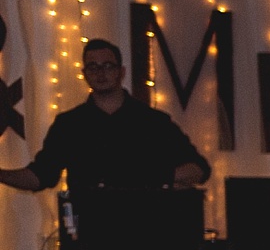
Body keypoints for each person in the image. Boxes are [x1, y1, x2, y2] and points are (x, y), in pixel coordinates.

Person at [0, 40, 209, 194]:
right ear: (84, 73)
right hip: (89, 235)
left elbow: (199, 169)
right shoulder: (70, 125)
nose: (101, 73)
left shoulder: (153, 122)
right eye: (93, 67)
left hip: (146, 232)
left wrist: (152, 178)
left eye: (108, 66)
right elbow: (40, 175)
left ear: (121, 71)